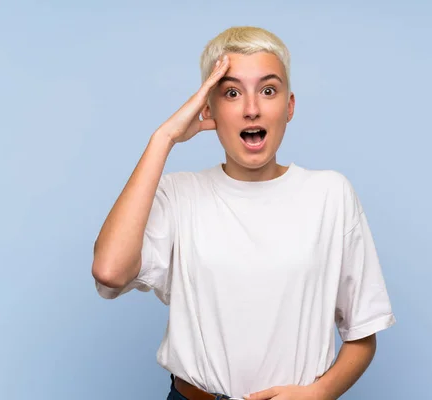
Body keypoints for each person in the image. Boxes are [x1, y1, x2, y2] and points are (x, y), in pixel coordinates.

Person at [92, 26, 396, 400]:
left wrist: (319, 394)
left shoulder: (330, 194)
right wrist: (164, 139)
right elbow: (110, 271)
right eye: (231, 93)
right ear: (208, 109)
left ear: (289, 105)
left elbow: (363, 332)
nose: (252, 109)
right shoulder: (180, 194)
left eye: (268, 90)